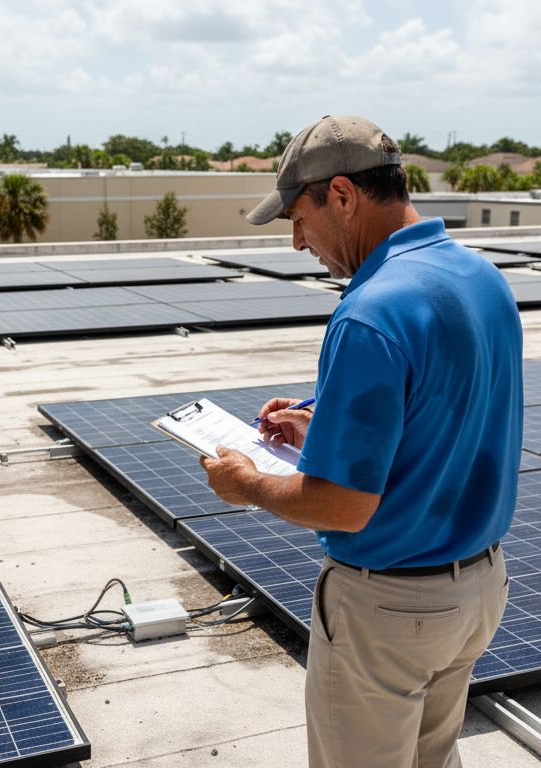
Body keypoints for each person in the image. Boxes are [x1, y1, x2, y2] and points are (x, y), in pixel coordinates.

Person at [200, 116, 522, 768]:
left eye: (298, 217)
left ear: (342, 196)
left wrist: (249, 486)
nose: (295, 242)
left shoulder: (370, 310)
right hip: (476, 592)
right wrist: (326, 414)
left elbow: (344, 506)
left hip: (390, 610)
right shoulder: (480, 278)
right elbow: (443, 406)